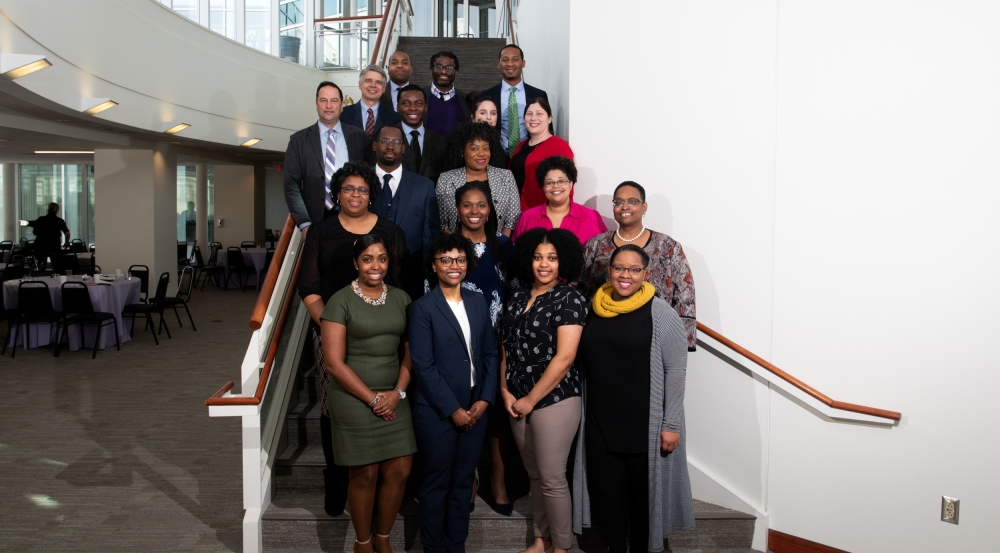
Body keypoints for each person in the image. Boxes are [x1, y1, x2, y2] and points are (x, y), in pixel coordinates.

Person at [298, 161, 408, 517]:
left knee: (385, 396)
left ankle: (384, 471)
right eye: (348, 189)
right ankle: (338, 478)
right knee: (335, 406)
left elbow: (402, 284)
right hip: (331, 331)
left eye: (362, 189)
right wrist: (333, 323)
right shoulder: (321, 232)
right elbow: (310, 287)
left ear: (371, 194)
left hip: (384, 329)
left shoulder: (390, 231)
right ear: (338, 193)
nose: (356, 195)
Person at [573, 244, 694, 553]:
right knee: (608, 499)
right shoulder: (593, 307)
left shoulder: (660, 313)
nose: (625, 275)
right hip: (601, 424)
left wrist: (671, 424)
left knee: (643, 503)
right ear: (608, 270)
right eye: (619, 268)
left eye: (634, 269)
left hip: (645, 428)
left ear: (645, 273)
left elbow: (676, 370)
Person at [321, 234, 416, 553]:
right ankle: (362, 542)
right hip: (353, 398)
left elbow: (409, 353)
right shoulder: (339, 301)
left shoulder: (402, 298)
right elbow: (334, 363)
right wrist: (373, 398)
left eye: (382, 259)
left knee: (401, 469)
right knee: (365, 474)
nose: (376, 266)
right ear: (355, 263)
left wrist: (397, 393)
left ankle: (383, 538)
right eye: (368, 259)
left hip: (395, 396)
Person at [409, 233, 498, 553]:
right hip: (437, 410)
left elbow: (490, 354)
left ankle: (456, 544)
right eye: (445, 260)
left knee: (463, 482)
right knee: (436, 484)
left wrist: (485, 398)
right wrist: (454, 410)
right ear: (434, 266)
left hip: (476, 404)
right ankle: (433, 548)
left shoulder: (477, 301)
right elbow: (424, 366)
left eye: (460, 260)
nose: (453, 266)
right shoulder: (422, 308)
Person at [500, 228, 587, 553]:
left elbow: (565, 358)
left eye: (551, 258)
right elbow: (506, 346)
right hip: (516, 398)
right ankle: (541, 539)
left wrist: (530, 400)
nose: (544, 264)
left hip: (555, 399)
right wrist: (505, 391)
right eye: (538, 257)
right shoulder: (519, 295)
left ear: (563, 261)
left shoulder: (570, 297)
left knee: (552, 479)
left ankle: (562, 547)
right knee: (534, 476)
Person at [450, 181, 516, 516]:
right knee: (466, 414)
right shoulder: (447, 247)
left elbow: (516, 291)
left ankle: (499, 482)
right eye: (467, 205)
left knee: (497, 420)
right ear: (457, 208)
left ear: (490, 210)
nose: (474, 211)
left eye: (481, 205)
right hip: (460, 344)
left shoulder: (504, 245)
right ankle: (469, 480)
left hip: (499, 343)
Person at [579, 181, 697, 351]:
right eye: (618, 202)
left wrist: (681, 343)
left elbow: (685, 294)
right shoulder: (595, 245)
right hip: (602, 333)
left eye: (632, 201)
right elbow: (580, 288)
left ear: (644, 206)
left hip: (652, 338)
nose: (624, 206)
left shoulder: (667, 247)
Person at [284, 82, 371, 232]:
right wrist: (304, 224)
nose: (328, 105)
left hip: (354, 219)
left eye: (334, 100)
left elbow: (370, 179)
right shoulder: (298, 140)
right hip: (315, 223)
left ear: (342, 105)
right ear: (316, 104)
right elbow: (291, 185)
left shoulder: (360, 138)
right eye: (323, 100)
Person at [371, 124, 441, 299]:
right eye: (384, 141)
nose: (390, 146)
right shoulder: (360, 182)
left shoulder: (424, 186)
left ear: (403, 147)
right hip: (367, 276)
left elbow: (429, 236)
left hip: (410, 280)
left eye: (396, 142)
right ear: (374, 145)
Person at [436, 122, 520, 236]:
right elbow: (442, 222)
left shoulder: (506, 176)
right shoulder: (446, 179)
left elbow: (512, 218)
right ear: (462, 151)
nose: (481, 153)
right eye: (474, 148)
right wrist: (456, 246)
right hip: (458, 248)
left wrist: (502, 243)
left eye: (485, 148)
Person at [511, 156, 607, 244]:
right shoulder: (527, 217)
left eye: (561, 181)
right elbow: (517, 253)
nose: (556, 186)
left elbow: (604, 252)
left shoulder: (591, 216)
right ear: (543, 187)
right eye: (549, 182)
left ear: (570, 184)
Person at [481, 44, 549, 157]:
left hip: (530, 154)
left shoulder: (538, 94)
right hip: (496, 156)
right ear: (499, 64)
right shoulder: (487, 95)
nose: (510, 64)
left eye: (515, 59)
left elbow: (547, 129)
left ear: (523, 63)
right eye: (505, 60)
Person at [509, 98, 574, 211]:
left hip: (542, 215)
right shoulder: (521, 145)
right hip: (516, 215)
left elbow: (566, 187)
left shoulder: (559, 146)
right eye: (529, 114)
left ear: (549, 118)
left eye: (539, 114)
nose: (533, 118)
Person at [398, 84, 448, 186]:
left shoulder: (441, 143)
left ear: (425, 108)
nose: (413, 108)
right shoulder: (386, 140)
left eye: (419, 103)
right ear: (398, 107)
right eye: (406, 103)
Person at [342, 65, 402, 137]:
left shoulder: (394, 118)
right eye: (368, 80)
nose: (373, 85)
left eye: (378, 82)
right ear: (360, 85)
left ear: (384, 89)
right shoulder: (342, 114)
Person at [423, 51, 471, 136]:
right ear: (431, 69)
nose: (444, 71)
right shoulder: (420, 97)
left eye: (449, 68)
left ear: (456, 71)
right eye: (439, 67)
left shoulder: (466, 100)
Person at [466, 91, 509, 169]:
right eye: (483, 113)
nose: (488, 117)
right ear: (472, 117)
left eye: (493, 113)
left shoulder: (498, 145)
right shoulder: (464, 142)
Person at [27, 202, 69, 271]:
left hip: (41, 245)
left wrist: (36, 227)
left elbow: (35, 232)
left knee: (40, 264)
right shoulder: (59, 221)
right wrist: (67, 242)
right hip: (54, 245)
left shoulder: (40, 219)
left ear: (48, 209)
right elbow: (67, 233)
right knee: (55, 264)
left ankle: (40, 275)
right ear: (57, 210)